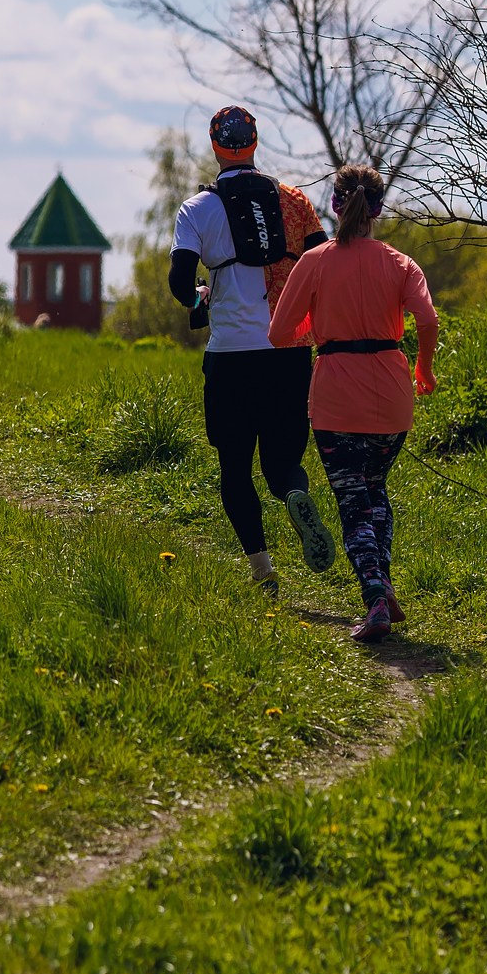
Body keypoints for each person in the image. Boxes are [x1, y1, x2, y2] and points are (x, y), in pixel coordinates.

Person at [166, 105, 339, 593]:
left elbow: (181, 281)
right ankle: (293, 492)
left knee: (235, 466)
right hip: (288, 352)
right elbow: (323, 263)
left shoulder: (197, 209)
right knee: (282, 459)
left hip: (231, 357)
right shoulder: (295, 201)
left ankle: (263, 570)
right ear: (255, 143)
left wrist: (199, 295)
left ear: (216, 145)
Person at [266, 161, 437, 642]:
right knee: (375, 491)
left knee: (353, 503)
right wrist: (423, 366)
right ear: (377, 210)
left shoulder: (315, 262)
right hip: (392, 395)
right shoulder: (400, 263)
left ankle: (374, 598)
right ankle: (383, 582)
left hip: (337, 397)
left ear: (336, 206)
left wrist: (318, 327)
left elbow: (280, 332)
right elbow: (428, 320)